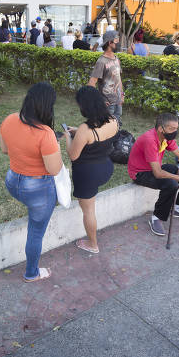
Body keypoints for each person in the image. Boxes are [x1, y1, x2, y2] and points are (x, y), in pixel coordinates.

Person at [0, 83, 63, 282]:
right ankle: (31, 273)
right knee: (35, 233)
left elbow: (4, 149)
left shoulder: (10, 119)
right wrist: (57, 147)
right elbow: (54, 169)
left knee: (34, 213)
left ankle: (33, 209)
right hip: (37, 189)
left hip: (13, 181)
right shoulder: (46, 134)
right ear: (47, 106)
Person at [63, 86, 118, 253]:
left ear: (85, 106)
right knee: (89, 207)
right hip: (106, 167)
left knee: (88, 210)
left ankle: (92, 245)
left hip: (87, 174)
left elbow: (73, 155)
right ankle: (92, 241)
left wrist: (68, 137)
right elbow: (97, 137)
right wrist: (78, 132)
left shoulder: (85, 129)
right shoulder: (113, 120)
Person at [128, 113, 179, 235]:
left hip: (155, 168)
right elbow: (157, 173)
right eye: (172, 129)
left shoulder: (167, 137)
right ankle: (157, 217)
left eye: (176, 128)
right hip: (140, 173)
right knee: (171, 184)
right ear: (161, 129)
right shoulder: (150, 140)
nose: (175, 131)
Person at [87, 30, 124, 124]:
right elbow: (91, 83)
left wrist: (122, 95)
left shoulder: (116, 59)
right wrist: (99, 101)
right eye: (116, 40)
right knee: (105, 129)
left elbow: (118, 79)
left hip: (118, 102)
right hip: (107, 104)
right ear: (109, 43)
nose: (119, 42)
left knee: (117, 126)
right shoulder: (101, 61)